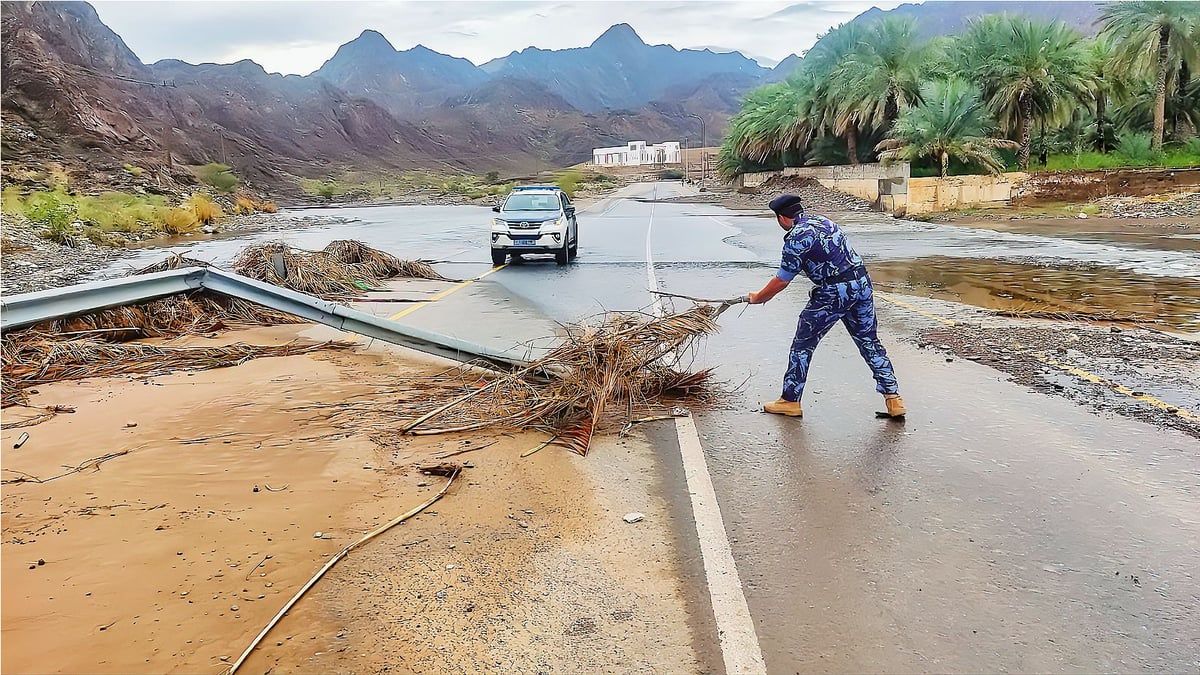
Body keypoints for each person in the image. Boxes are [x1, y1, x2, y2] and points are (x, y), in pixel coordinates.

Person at [746, 194, 906, 418]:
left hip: (832, 292)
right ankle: (894, 400)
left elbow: (782, 280)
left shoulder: (796, 239)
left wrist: (759, 297)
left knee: (803, 345)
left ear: (781, 218)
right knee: (869, 341)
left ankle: (790, 401)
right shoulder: (824, 221)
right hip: (861, 284)